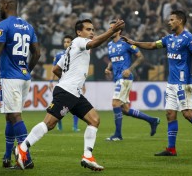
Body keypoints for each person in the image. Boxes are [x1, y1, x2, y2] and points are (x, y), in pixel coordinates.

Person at [14, 19, 125, 171]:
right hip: (67, 91)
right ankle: (22, 148)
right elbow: (93, 43)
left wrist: (68, 78)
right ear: (79, 32)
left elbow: (55, 70)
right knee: (49, 123)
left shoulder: (70, 49)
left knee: (94, 120)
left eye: (93, 29)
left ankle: (87, 156)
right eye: (88, 29)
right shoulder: (79, 41)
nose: (91, 32)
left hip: (74, 93)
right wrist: (111, 31)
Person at [122, 10, 192, 157]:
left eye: (171, 20)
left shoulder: (189, 38)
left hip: (183, 83)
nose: (168, 22)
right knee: (170, 114)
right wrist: (134, 42)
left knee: (188, 114)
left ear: (180, 21)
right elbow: (152, 45)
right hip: (171, 83)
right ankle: (171, 149)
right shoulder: (169, 38)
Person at [0, 0, 41, 168]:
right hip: (24, 77)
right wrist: (27, 69)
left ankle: (26, 158)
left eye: (0, 5)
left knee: (15, 115)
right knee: (9, 116)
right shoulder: (28, 26)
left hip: (10, 77)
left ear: (6, 4)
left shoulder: (4, 25)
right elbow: (37, 53)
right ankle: (7, 157)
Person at [105, 20, 160, 141]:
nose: (110, 30)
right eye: (109, 28)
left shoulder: (126, 43)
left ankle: (118, 135)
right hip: (117, 78)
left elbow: (140, 57)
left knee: (115, 103)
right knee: (125, 109)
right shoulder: (110, 45)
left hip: (124, 78)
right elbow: (112, 59)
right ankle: (153, 120)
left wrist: (130, 69)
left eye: (112, 28)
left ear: (119, 30)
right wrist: (108, 68)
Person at [48, 35, 83, 132]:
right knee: (58, 106)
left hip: (75, 84)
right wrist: (51, 81)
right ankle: (59, 125)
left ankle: (75, 126)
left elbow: (79, 70)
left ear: (72, 43)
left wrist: (82, 84)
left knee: (76, 105)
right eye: (65, 42)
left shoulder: (76, 54)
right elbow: (54, 69)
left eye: (68, 41)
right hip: (63, 84)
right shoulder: (59, 55)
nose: (66, 43)